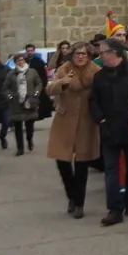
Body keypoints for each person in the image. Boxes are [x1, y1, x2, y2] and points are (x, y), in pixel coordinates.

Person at [91, 39, 128, 226]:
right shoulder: (99, 77)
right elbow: (93, 101)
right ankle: (114, 209)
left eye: (103, 52)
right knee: (111, 170)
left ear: (114, 53)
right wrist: (100, 119)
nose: (100, 55)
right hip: (110, 130)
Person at [46, 42, 100, 220]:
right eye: (77, 54)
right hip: (65, 119)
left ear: (89, 55)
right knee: (62, 161)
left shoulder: (96, 70)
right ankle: (71, 196)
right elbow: (49, 89)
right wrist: (62, 82)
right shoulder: (64, 68)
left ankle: (79, 204)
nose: (80, 57)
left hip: (86, 122)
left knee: (82, 165)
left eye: (83, 54)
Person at [4, 52, 43, 155]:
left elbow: (38, 83)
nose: (20, 62)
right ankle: (20, 148)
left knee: (29, 124)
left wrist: (36, 93)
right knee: (17, 127)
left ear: (25, 61)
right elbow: (6, 88)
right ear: (15, 62)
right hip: (16, 103)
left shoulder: (32, 72)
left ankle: (29, 140)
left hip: (29, 102)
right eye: (18, 60)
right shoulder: (11, 74)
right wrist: (10, 96)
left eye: (22, 60)